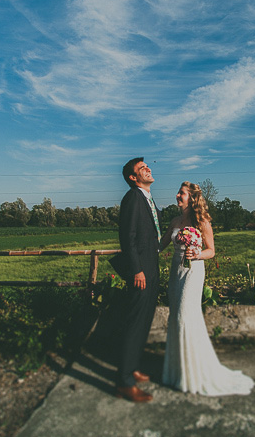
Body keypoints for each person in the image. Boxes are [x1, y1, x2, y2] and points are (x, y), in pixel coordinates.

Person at [160, 182, 254, 396]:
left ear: (192, 198)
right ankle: (178, 371)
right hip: (176, 272)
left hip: (193, 272)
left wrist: (197, 254)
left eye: (181, 193)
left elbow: (211, 250)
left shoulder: (202, 221)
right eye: (178, 192)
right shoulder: (175, 221)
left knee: (185, 316)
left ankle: (195, 373)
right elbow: (161, 244)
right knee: (176, 317)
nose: (177, 195)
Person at [114, 157, 161, 402]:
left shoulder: (148, 199)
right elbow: (127, 237)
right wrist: (137, 270)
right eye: (142, 168)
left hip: (152, 268)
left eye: (147, 166)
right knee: (134, 323)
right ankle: (124, 382)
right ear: (133, 178)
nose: (148, 169)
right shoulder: (133, 197)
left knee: (144, 322)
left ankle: (132, 367)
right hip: (141, 272)